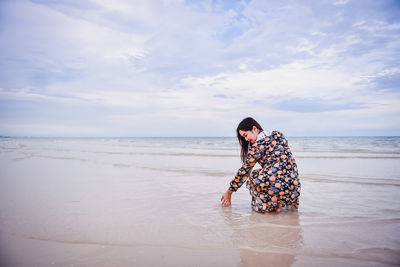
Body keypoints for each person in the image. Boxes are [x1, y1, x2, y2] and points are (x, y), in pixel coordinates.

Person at [220, 117, 301, 213]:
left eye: (246, 135)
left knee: (254, 176)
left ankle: (269, 207)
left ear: (254, 129)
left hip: (277, 184)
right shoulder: (278, 134)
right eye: (244, 138)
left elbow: (244, 171)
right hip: (294, 185)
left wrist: (229, 192)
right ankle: (278, 204)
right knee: (278, 173)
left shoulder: (257, 146)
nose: (246, 139)